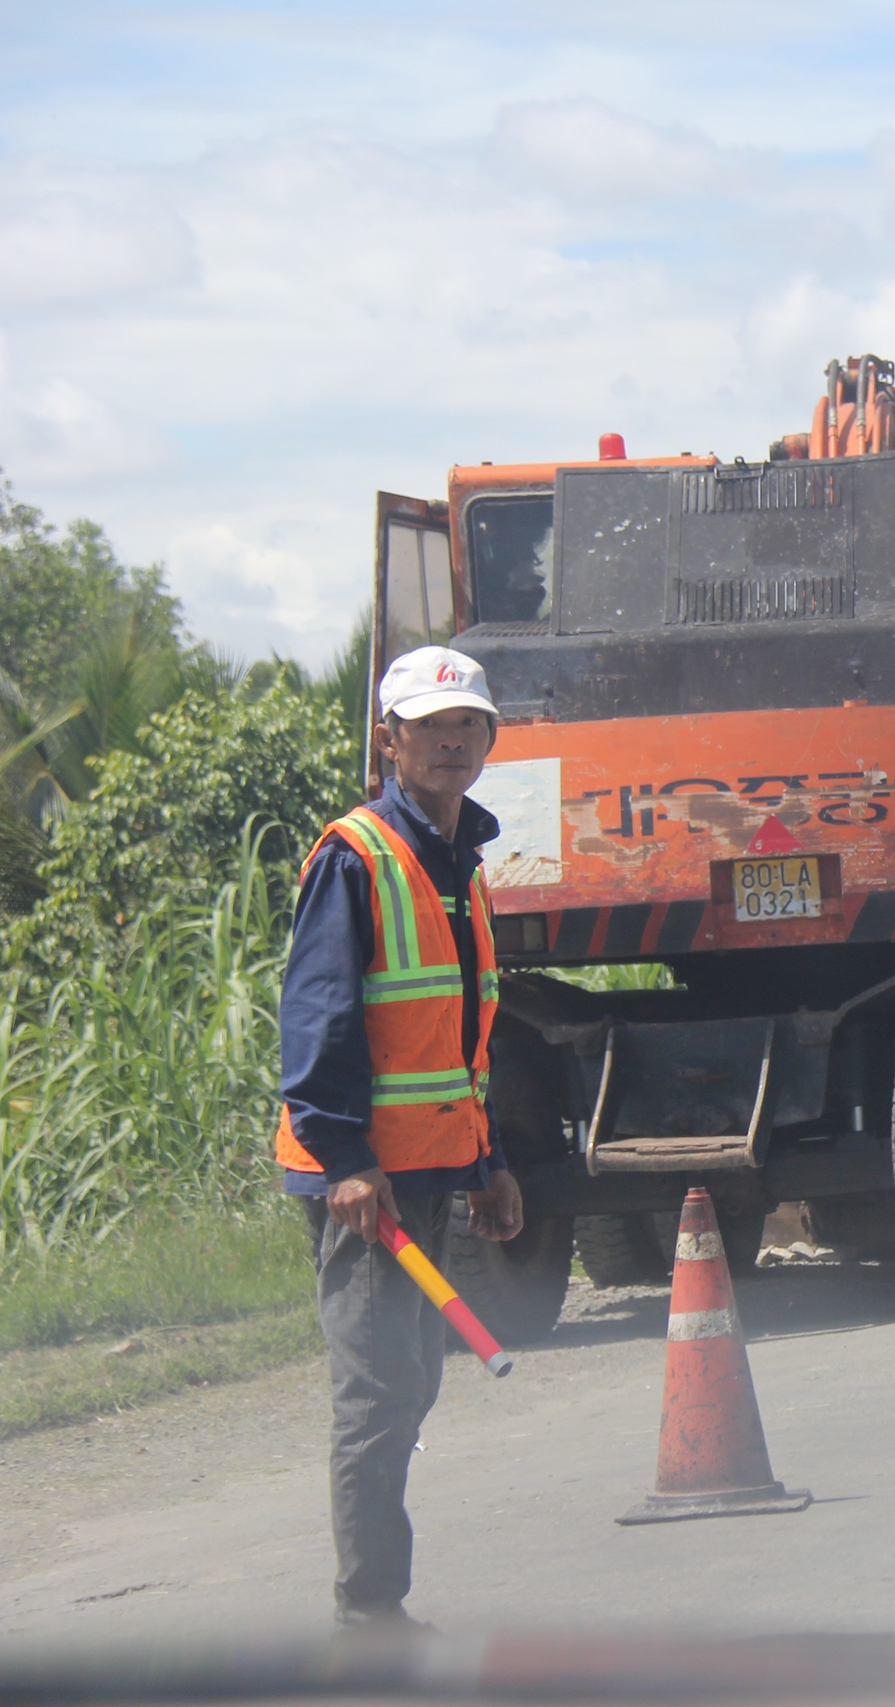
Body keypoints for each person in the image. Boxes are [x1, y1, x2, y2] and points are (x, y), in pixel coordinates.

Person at [276, 646, 522, 1631]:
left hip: (428, 1167)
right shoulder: (358, 856)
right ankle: (369, 1613)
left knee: (411, 1380)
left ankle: (374, 1602)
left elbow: (456, 1038)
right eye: (430, 727)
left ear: (489, 738)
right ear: (390, 740)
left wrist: (487, 1161)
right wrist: (344, 1161)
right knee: (379, 1392)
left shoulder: (459, 862)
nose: (450, 742)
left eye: (467, 725)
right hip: (365, 1181)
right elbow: (319, 1017)